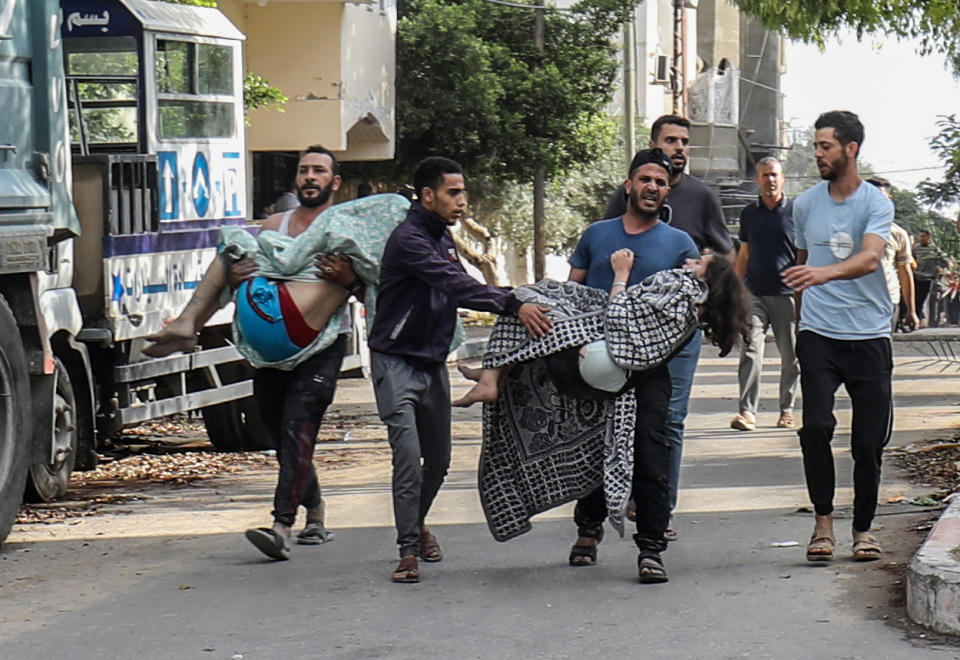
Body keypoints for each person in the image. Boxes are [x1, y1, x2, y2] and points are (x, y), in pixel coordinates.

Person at [145, 146, 372, 560]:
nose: (310, 177)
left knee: (297, 428)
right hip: (270, 350)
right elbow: (253, 279)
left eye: (319, 171)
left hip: (320, 347)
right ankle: (316, 510)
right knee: (280, 433)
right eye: (304, 170)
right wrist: (234, 276)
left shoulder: (347, 229)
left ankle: (282, 525)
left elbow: (372, 284)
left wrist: (350, 277)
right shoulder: (274, 224)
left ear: (334, 182)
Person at [367, 156, 552, 584]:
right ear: (427, 195)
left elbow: (467, 280)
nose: (462, 201)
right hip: (394, 362)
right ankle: (407, 550)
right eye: (453, 192)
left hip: (432, 365)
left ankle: (416, 521)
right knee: (409, 457)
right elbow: (454, 285)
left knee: (440, 461)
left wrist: (519, 295)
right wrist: (512, 304)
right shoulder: (410, 240)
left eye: (464, 192)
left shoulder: (443, 238)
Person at [563, 148, 697, 582]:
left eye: (661, 182)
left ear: (667, 189)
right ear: (628, 185)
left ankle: (651, 548)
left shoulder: (679, 245)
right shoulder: (596, 235)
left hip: (650, 368)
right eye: (645, 180)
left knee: (651, 453)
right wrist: (576, 347)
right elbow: (570, 297)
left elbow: (688, 310)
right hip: (595, 365)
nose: (653, 187)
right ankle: (588, 529)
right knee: (590, 448)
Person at [605, 114, 734, 533]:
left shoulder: (702, 196)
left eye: (685, 141)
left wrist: (702, 279)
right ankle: (611, 502)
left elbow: (725, 255)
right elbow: (604, 242)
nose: (680, 147)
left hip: (678, 332)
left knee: (669, 420)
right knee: (616, 416)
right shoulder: (624, 194)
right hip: (624, 327)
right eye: (671, 140)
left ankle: (660, 510)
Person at [781, 110, 894, 563]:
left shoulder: (876, 204)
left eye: (825, 146)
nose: (817, 153)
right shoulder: (805, 204)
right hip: (819, 335)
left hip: (868, 335)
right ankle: (823, 523)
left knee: (867, 443)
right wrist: (801, 323)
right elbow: (802, 266)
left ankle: (863, 529)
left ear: (851, 149)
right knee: (817, 427)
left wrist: (823, 273)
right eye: (816, 145)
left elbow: (869, 259)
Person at [730, 156, 799, 432]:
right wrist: (736, 291)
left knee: (791, 355)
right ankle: (747, 413)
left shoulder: (797, 211)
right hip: (754, 294)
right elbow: (744, 253)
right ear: (757, 180)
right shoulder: (749, 214)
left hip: (787, 294)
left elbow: (805, 253)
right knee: (750, 351)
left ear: (783, 179)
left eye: (774, 175)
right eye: (765, 175)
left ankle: (787, 409)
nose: (770, 180)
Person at [867, 177, 919, 333]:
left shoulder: (898, 233)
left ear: (889, 200)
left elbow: (905, 271)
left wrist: (911, 310)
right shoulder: (846, 229)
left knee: (881, 351)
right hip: (853, 302)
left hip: (887, 301)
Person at [913, 230, 943, 327]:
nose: (922, 238)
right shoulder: (916, 248)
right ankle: (917, 319)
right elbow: (912, 259)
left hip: (929, 278)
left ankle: (929, 321)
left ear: (929, 237)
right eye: (920, 236)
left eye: (924, 236)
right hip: (917, 276)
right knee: (916, 299)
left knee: (923, 299)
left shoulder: (935, 249)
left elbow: (941, 262)